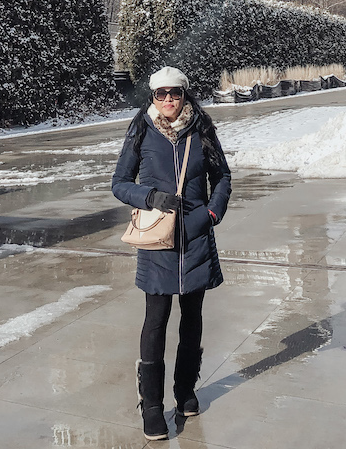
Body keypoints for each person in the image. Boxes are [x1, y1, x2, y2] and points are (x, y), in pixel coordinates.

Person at [112, 65, 232, 441]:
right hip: (158, 241)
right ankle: (151, 405)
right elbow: (119, 183)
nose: (168, 101)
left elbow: (222, 177)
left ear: (185, 94)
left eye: (175, 94)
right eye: (160, 94)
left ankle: (184, 391)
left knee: (193, 317)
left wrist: (210, 214)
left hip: (195, 237)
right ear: (152, 97)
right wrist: (149, 197)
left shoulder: (202, 130)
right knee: (157, 319)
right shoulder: (141, 130)